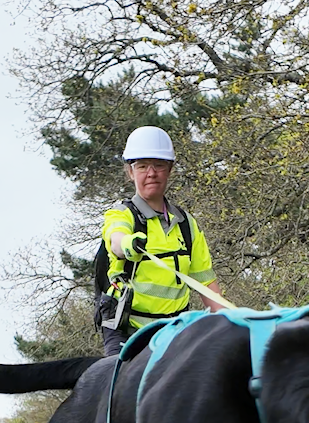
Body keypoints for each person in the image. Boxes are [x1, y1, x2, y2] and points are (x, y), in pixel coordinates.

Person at [96, 125, 224, 356]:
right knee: (117, 384)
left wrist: (233, 324)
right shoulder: (121, 214)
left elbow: (206, 283)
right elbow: (116, 240)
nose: (151, 173)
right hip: (126, 329)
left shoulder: (186, 224)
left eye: (159, 165)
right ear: (130, 172)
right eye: (142, 166)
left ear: (169, 170)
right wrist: (127, 245)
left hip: (173, 331)